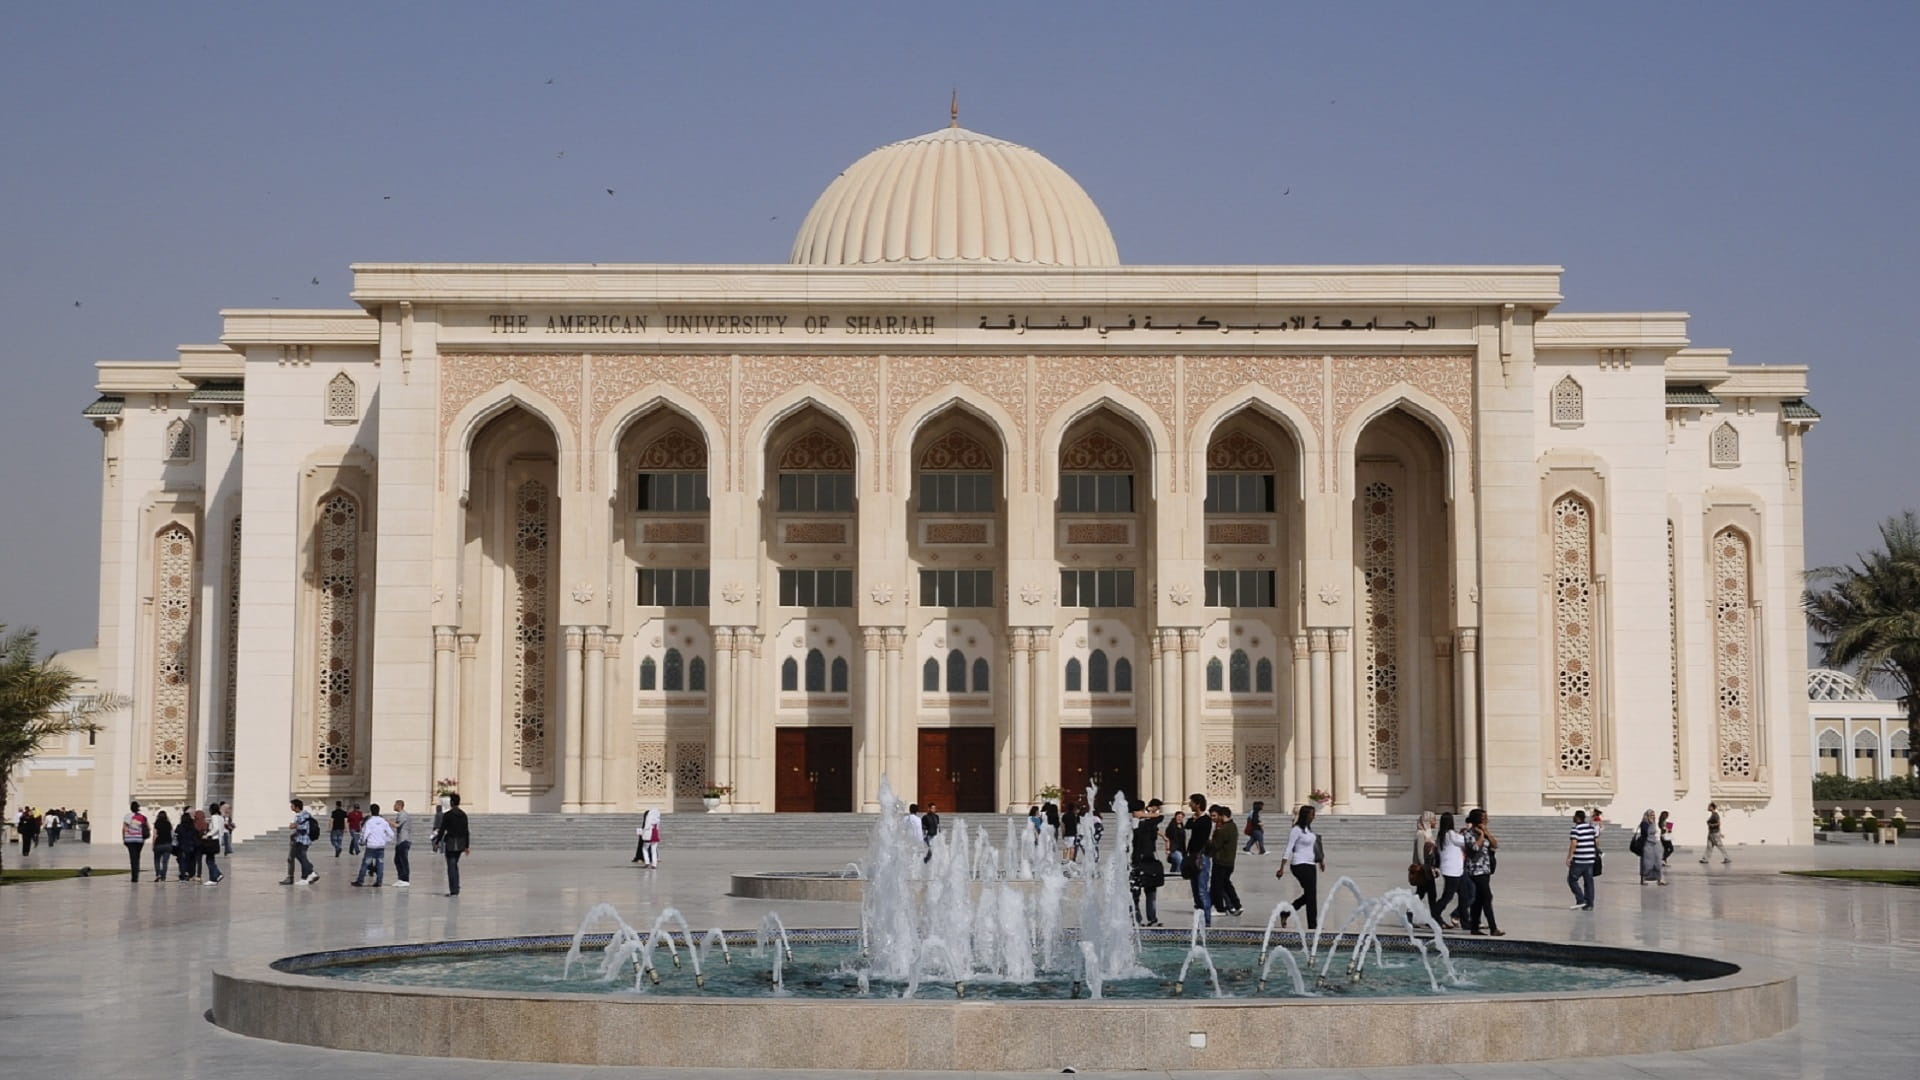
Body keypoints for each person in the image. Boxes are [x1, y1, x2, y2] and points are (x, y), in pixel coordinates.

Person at [1277, 803, 1325, 929]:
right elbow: (1288, 848)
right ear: (1305, 815)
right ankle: (1313, 926)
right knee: (1311, 895)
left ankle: (1286, 912)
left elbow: (1314, 847)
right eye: (1312, 814)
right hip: (1299, 864)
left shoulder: (1309, 830)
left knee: (1310, 894)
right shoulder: (1296, 830)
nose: (1313, 817)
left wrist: (1320, 861)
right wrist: (1282, 867)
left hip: (1310, 864)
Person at [1429, 811, 1475, 929]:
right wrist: (1469, 831)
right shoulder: (1452, 835)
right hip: (1453, 871)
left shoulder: (1442, 836)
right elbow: (1467, 842)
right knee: (1448, 896)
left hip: (1453, 870)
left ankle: (1465, 921)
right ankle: (1434, 914)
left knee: (1463, 896)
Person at [1464, 809, 1502, 935]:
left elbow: (1495, 845)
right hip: (1475, 871)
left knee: (1479, 899)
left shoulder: (1485, 833)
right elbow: (1474, 848)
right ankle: (1493, 927)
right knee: (1487, 897)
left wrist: (1486, 833)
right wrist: (1480, 835)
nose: (1486, 820)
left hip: (1485, 869)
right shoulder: (1468, 834)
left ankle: (1474, 927)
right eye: (1484, 818)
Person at [1128, 799, 1165, 926]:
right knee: (1139, 892)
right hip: (1141, 861)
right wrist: (1149, 813)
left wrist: (1145, 814)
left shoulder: (1138, 822)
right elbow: (1160, 817)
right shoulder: (1140, 823)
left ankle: (1144, 919)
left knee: (1145, 891)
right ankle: (1141, 919)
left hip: (1142, 860)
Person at [1183, 793, 1214, 925]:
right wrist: (1194, 818)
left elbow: (1194, 826)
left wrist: (1195, 819)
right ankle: (1200, 917)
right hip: (1193, 857)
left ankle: (1207, 920)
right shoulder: (1196, 818)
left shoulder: (1205, 820)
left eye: (1191, 802)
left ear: (1198, 804)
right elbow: (1188, 825)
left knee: (1202, 889)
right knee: (1195, 890)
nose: (1189, 805)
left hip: (1201, 858)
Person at [433, 791, 470, 896]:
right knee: (454, 865)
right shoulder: (463, 815)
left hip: (450, 843)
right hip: (461, 843)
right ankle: (456, 887)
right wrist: (467, 846)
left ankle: (454, 890)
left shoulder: (448, 815)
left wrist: (437, 842)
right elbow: (466, 831)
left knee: (451, 866)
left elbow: (442, 830)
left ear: (452, 802)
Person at [1208, 805, 1242, 916]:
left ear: (1223, 816)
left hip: (1221, 861)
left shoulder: (1223, 829)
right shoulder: (1233, 826)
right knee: (1226, 884)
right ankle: (1237, 905)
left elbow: (1216, 844)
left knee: (1216, 885)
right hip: (1230, 861)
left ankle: (1220, 909)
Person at [352, 803, 395, 886]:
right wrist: (385, 840)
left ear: (371, 811)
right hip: (381, 846)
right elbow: (391, 834)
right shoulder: (383, 822)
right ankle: (379, 881)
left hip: (371, 846)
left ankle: (360, 880)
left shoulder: (369, 822)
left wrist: (362, 842)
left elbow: (365, 834)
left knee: (365, 863)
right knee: (380, 864)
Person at [1566, 808, 1598, 910]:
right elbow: (1596, 841)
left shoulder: (1575, 829)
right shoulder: (1591, 828)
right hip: (1590, 859)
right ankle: (1589, 904)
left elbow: (1574, 843)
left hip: (1579, 859)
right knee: (1589, 882)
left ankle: (1581, 900)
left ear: (1577, 818)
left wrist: (1569, 857)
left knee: (1572, 880)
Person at [281, 798, 318, 885]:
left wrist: (294, 826)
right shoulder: (305, 814)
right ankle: (308, 875)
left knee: (302, 858)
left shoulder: (301, 815)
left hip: (302, 840)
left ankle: (308, 875)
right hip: (303, 840)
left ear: (297, 807)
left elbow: (303, 827)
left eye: (292, 805)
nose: (291, 807)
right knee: (301, 857)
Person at [1412, 811, 1439, 907]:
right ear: (1427, 821)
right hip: (1424, 870)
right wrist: (1425, 868)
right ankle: (1433, 918)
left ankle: (1409, 914)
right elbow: (1420, 854)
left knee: (1422, 893)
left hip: (1428, 868)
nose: (1435, 822)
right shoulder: (1421, 834)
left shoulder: (1428, 834)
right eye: (1433, 820)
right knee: (1428, 894)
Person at [1636, 809, 1668, 885]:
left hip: (1655, 844)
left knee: (1657, 863)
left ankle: (1659, 879)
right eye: (1651, 815)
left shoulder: (1654, 823)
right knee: (1647, 863)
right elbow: (1644, 833)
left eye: (1653, 815)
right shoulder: (1644, 823)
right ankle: (1643, 879)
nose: (1652, 817)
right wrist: (1648, 824)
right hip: (1647, 844)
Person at [121, 801, 149, 883]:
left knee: (133, 858)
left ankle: (134, 877)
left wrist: (124, 839)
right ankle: (136, 875)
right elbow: (148, 827)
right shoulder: (143, 817)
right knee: (137, 858)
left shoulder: (127, 816)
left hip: (130, 839)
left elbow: (124, 828)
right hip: (140, 840)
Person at [174, 807, 202, 883]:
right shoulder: (192, 827)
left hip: (182, 846)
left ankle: (183, 875)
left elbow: (176, 835)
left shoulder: (179, 827)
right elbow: (196, 835)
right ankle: (191, 874)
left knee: (182, 861)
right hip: (192, 846)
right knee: (191, 861)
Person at [202, 802, 225, 885]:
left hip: (213, 841)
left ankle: (216, 875)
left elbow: (216, 828)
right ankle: (214, 877)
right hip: (218, 840)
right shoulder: (221, 818)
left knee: (209, 860)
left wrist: (208, 835)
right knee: (211, 859)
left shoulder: (214, 817)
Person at [391, 799, 414, 886]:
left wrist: (387, 821)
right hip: (400, 841)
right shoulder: (400, 815)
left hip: (404, 840)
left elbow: (397, 825)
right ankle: (401, 878)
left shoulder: (403, 815)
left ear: (399, 806)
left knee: (403, 860)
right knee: (397, 860)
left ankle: (405, 879)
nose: (393, 806)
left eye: (395, 804)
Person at [151, 810, 174, 882]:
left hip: (159, 844)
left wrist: (153, 844)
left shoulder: (157, 824)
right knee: (165, 862)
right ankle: (163, 876)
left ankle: (158, 874)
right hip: (167, 844)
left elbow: (155, 835)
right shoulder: (168, 824)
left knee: (157, 860)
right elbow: (172, 834)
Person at [1163, 810, 1186, 877]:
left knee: (1175, 864)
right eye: (1178, 816)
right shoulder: (1171, 827)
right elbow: (1167, 839)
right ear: (1175, 817)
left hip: (1181, 849)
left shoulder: (1182, 827)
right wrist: (1167, 849)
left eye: (1181, 817)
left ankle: (1171, 877)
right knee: (1180, 861)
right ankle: (1179, 876)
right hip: (1173, 848)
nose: (1180, 818)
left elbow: (1184, 839)